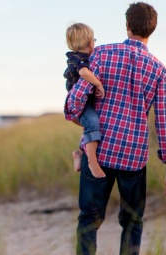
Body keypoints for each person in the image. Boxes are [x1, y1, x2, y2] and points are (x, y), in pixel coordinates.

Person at [63, 2, 166, 255]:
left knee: (89, 217)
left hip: (100, 152)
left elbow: (75, 101)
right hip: (133, 157)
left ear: (126, 26)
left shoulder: (102, 54)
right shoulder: (158, 69)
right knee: (132, 222)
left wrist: (75, 111)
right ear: (151, 30)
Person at [64, 23, 107, 179]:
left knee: (90, 126)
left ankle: (80, 153)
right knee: (93, 122)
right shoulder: (80, 59)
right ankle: (92, 162)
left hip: (84, 101)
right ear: (90, 43)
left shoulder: (75, 56)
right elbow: (83, 73)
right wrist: (98, 83)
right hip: (80, 103)